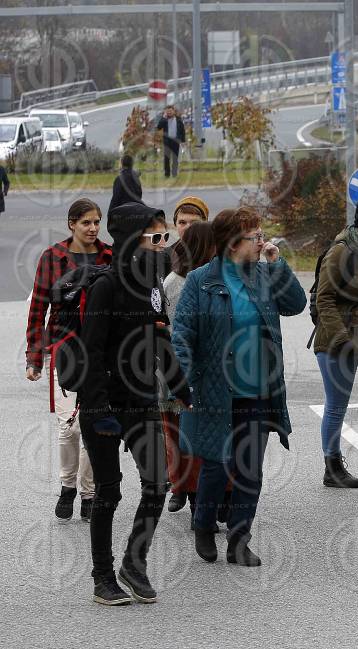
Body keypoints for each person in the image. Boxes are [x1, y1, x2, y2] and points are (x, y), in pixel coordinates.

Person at [172, 207, 306, 567]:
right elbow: (182, 333)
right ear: (233, 243)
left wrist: (278, 264)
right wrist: (181, 379)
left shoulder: (262, 274)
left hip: (259, 389)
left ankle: (239, 540)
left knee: (250, 469)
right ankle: (203, 523)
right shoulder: (201, 281)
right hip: (216, 390)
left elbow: (296, 304)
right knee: (216, 464)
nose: (262, 241)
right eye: (255, 236)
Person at [78, 202, 192, 606]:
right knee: (108, 492)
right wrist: (98, 410)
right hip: (106, 404)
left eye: (166, 238)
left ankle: (133, 563)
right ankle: (102, 578)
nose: (163, 245)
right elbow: (89, 353)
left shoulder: (152, 284)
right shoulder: (106, 286)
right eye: (156, 238)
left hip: (142, 398)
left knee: (158, 484)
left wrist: (182, 390)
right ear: (131, 240)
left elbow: (161, 340)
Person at [25, 198, 112, 523]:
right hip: (64, 350)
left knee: (92, 426)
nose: (92, 228)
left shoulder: (109, 257)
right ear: (72, 224)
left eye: (96, 222)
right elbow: (38, 310)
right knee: (67, 426)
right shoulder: (53, 258)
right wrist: (35, 357)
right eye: (86, 222)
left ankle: (89, 494)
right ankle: (67, 487)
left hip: (100, 353)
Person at [313, 194, 358, 489]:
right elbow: (324, 299)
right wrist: (342, 338)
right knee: (336, 406)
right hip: (337, 338)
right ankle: (332, 467)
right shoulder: (341, 250)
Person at [162, 220, 214, 521]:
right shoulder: (177, 282)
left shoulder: (209, 277)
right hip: (176, 372)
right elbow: (172, 331)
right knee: (178, 434)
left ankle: (191, 492)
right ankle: (185, 491)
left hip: (189, 372)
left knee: (188, 436)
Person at [156, 105, 186, 178]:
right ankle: (167, 174)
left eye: (170, 111)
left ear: (173, 111)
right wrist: (163, 117)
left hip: (176, 141)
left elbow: (182, 131)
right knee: (167, 158)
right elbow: (159, 127)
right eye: (168, 111)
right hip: (167, 142)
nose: (169, 112)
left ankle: (174, 173)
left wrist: (183, 141)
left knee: (175, 158)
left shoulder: (178, 120)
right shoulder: (164, 120)